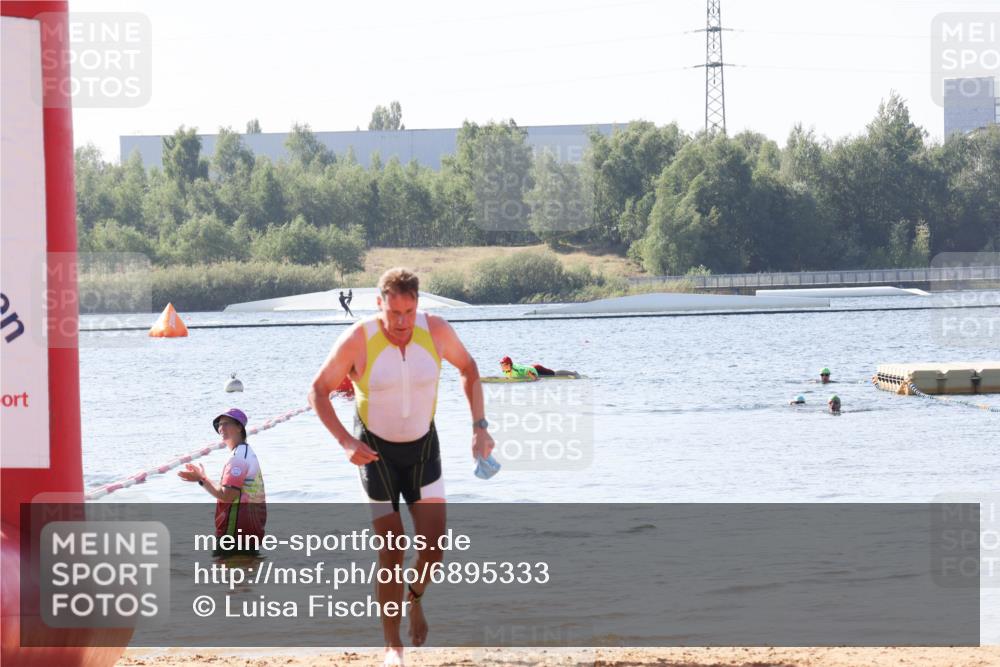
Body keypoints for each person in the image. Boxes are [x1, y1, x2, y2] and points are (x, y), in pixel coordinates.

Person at [309, 267, 494, 666]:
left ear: (417, 306)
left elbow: (470, 369)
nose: (401, 323)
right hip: (374, 453)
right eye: (393, 313)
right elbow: (318, 389)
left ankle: (415, 599)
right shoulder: (359, 338)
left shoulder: (437, 331)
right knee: (392, 550)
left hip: (423, 449)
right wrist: (345, 441)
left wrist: (480, 427)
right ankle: (393, 646)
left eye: (409, 312)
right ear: (379, 305)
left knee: (434, 548)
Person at [178, 408, 267, 556]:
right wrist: (203, 478)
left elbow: (226, 495)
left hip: (234, 533)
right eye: (219, 424)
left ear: (239, 427)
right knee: (244, 574)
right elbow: (233, 489)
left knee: (226, 575)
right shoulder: (246, 452)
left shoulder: (238, 458)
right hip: (249, 529)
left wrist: (201, 479)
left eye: (226, 423)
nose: (221, 428)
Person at [499, 356, 579, 380]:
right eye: (501, 364)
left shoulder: (517, 369)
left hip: (537, 369)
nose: (502, 366)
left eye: (503, 364)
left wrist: (535, 379)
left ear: (509, 364)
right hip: (532, 367)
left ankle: (573, 373)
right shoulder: (505, 370)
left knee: (554, 374)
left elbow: (528, 372)